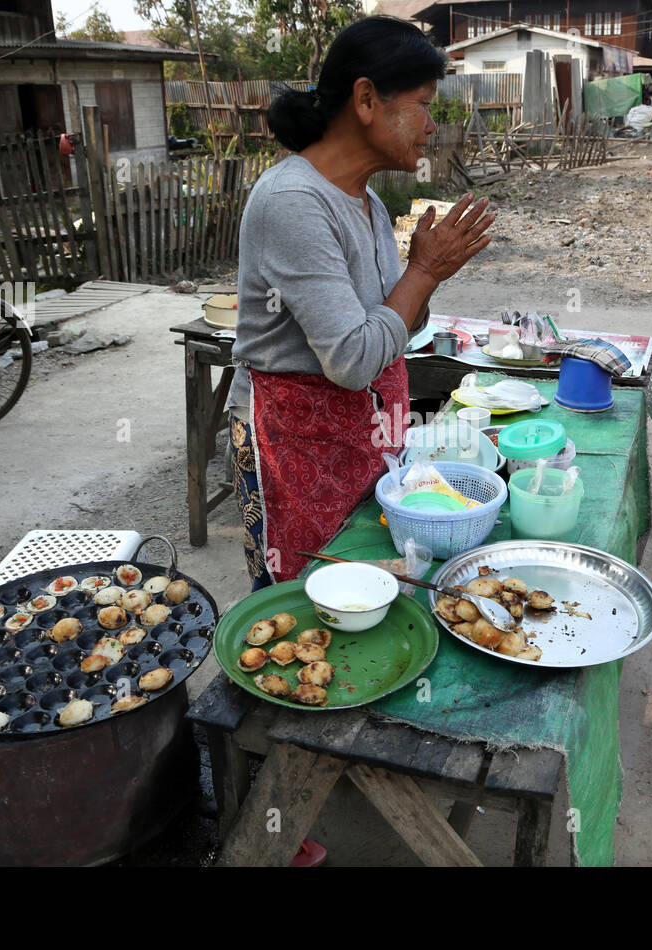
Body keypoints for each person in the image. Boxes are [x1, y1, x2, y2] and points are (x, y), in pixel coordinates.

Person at [229, 16, 495, 590]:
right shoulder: (293, 201)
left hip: (362, 433)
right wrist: (423, 271)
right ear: (367, 99)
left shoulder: (367, 201)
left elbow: (394, 324)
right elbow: (352, 358)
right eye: (423, 104)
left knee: (369, 587)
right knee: (303, 598)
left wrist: (426, 278)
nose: (430, 124)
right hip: (293, 440)